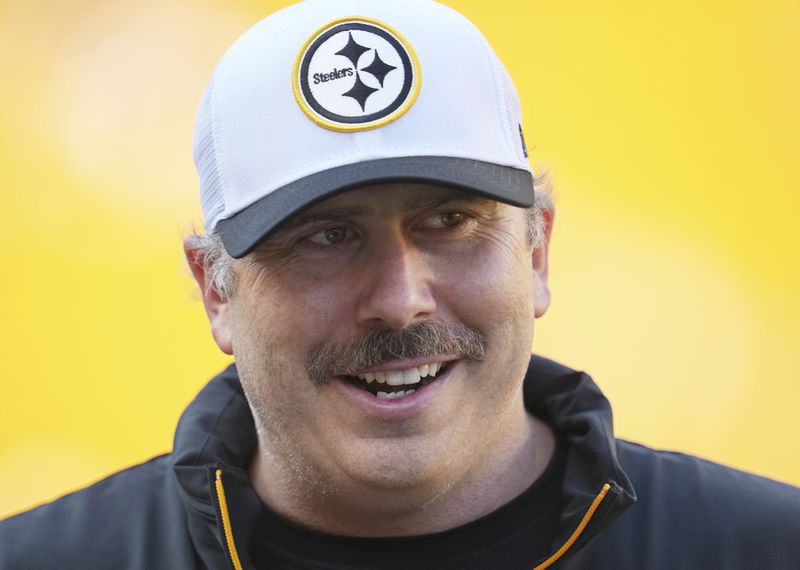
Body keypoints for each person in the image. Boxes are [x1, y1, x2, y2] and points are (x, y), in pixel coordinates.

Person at [1, 0, 799, 568]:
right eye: (326, 236)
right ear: (217, 291)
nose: (399, 297)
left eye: (448, 222)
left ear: (535, 252)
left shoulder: (764, 548)